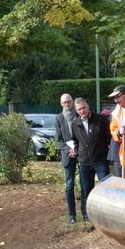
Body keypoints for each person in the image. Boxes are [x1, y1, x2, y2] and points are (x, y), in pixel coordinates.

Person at [71, 97, 111, 227]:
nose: (82, 111)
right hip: (84, 162)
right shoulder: (75, 123)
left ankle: (106, 216)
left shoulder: (101, 120)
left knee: (105, 189)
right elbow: (75, 141)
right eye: (79, 109)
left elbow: (109, 138)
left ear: (88, 106)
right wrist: (75, 151)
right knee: (86, 189)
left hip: (100, 161)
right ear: (76, 111)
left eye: (83, 108)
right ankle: (87, 216)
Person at [53, 93, 81, 223]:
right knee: (69, 185)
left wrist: (77, 149)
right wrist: (69, 150)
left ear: (72, 102)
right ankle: (72, 215)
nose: (67, 104)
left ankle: (86, 213)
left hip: (81, 155)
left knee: (84, 185)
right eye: (64, 102)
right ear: (61, 103)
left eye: (69, 102)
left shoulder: (79, 114)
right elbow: (58, 140)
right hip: (67, 156)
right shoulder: (58, 118)